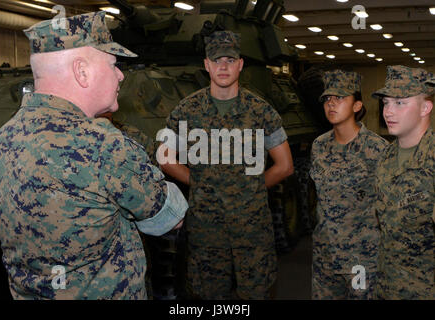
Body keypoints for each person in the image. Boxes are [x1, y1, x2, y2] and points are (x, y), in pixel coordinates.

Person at [0, 11, 188, 300]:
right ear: (82, 71)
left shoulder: (4, 137)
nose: (120, 75)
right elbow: (170, 217)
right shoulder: (103, 143)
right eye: (113, 64)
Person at [158, 31, 294, 299]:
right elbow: (165, 158)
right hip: (206, 231)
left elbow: (285, 165)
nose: (223, 66)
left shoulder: (261, 111)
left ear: (240, 64)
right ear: (206, 64)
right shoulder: (187, 110)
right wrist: (198, 183)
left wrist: (251, 187)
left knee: (256, 294)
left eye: (229, 60)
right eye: (216, 60)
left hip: (252, 231)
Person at [309, 70, 388, 300]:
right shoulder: (319, 146)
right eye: (327, 99)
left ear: (357, 106)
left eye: (340, 98)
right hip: (325, 256)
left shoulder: (376, 149)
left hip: (361, 257)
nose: (331, 104)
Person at [372, 65, 434, 300]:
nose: (388, 111)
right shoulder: (385, 158)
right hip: (388, 287)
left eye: (400, 102)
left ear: (425, 108)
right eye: (386, 103)